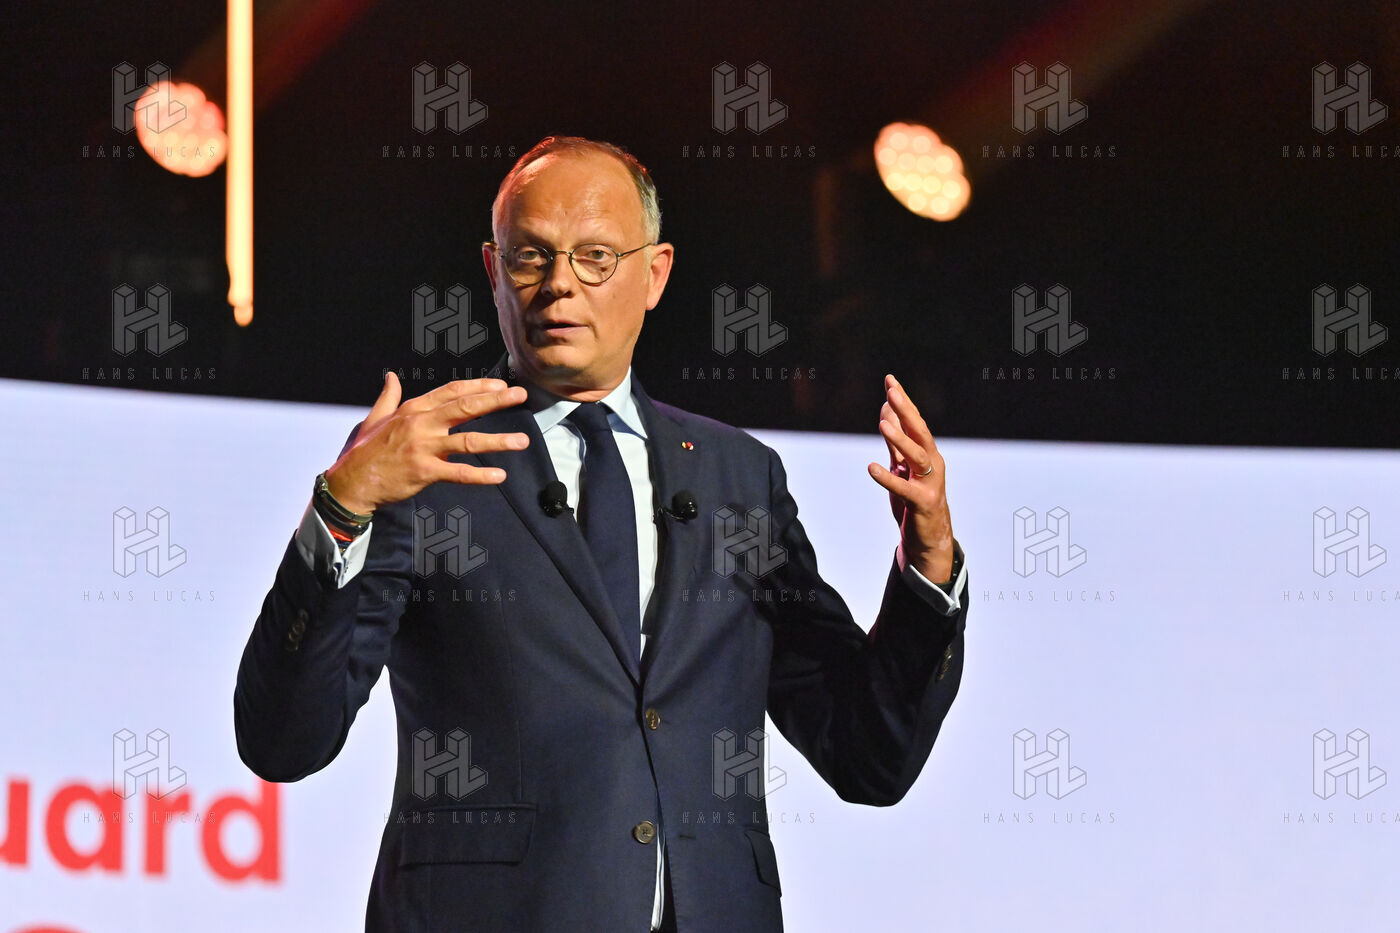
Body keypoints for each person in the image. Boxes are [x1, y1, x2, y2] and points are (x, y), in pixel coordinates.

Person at [234, 136, 969, 933]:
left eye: (595, 257)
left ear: (655, 274)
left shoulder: (738, 479)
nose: (559, 284)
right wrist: (343, 506)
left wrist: (928, 566)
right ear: (493, 271)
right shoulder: (429, 465)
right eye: (530, 256)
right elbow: (284, 740)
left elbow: (868, 754)